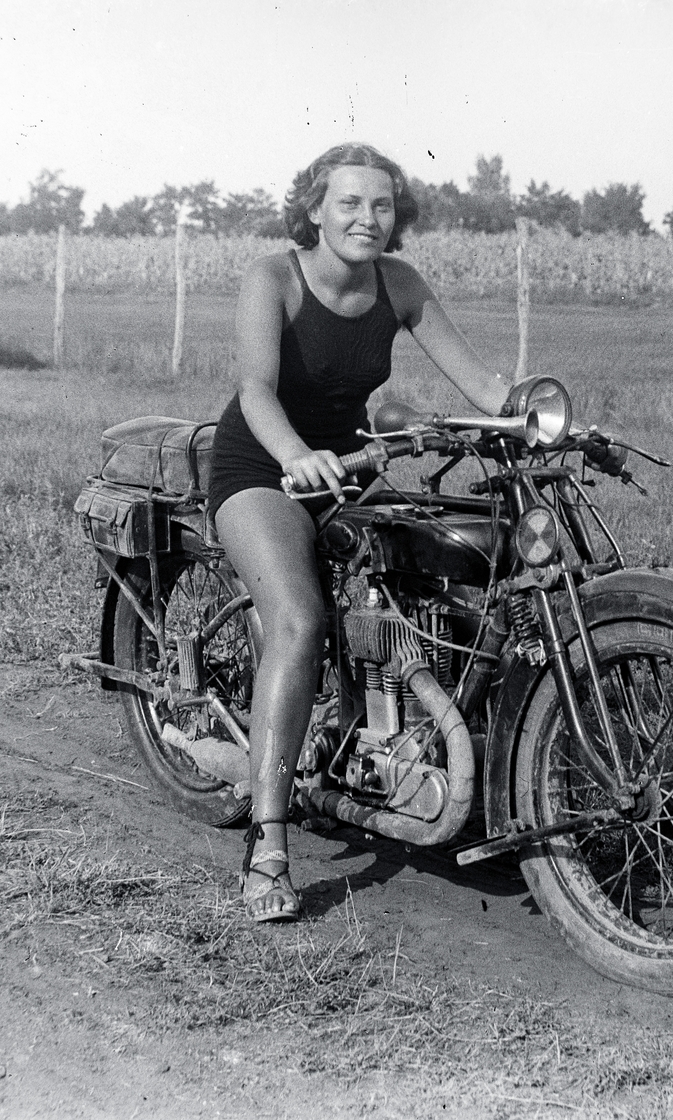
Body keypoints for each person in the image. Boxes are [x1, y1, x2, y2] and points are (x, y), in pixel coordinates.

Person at [207, 143, 512, 923]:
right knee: (301, 621)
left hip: (346, 466)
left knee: (425, 578)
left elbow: (481, 384)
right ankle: (269, 839)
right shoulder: (272, 277)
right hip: (262, 469)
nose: (366, 219)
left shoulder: (399, 284)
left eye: (381, 206)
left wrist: (544, 416)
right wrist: (294, 456)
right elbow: (255, 390)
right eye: (348, 203)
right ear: (314, 208)